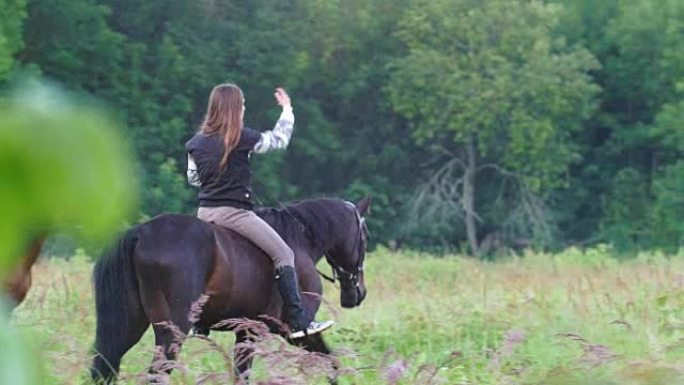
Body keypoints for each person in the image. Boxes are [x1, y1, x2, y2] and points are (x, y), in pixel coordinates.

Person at [185, 83, 332, 339]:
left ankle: (200, 322)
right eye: (242, 106)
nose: (243, 110)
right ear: (234, 109)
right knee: (284, 253)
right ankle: (299, 321)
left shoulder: (195, 143)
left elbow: (194, 179)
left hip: (205, 215)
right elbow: (279, 140)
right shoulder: (242, 137)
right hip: (234, 214)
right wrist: (287, 109)